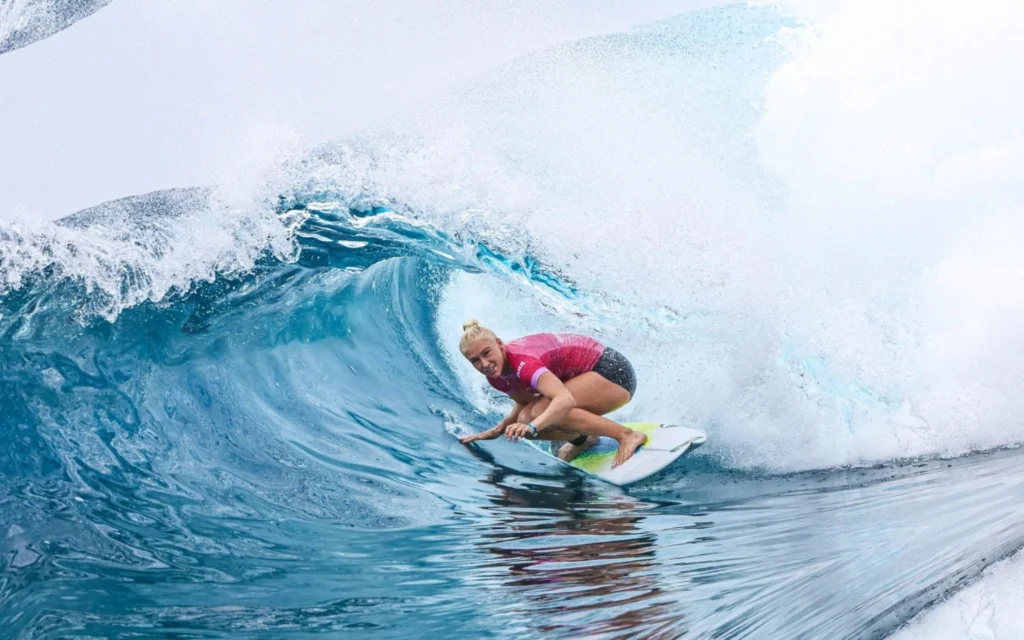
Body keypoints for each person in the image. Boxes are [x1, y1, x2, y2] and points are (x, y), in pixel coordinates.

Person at [457, 320, 647, 467]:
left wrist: (534, 426)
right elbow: (524, 404)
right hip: (585, 380)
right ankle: (581, 438)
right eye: (475, 361)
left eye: (486, 353)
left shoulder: (523, 363)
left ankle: (626, 435)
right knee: (523, 420)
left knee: (539, 416)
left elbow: (564, 399)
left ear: (499, 344)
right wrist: (498, 430)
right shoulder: (495, 376)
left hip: (614, 373)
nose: (484, 364)